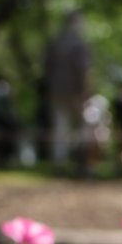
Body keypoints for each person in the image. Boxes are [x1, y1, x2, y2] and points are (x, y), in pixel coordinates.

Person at [43, 11, 91, 168]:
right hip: (75, 92)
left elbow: (47, 69)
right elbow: (83, 70)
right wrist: (85, 91)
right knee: (82, 126)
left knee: (60, 128)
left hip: (56, 91)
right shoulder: (79, 44)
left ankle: (60, 163)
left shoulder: (55, 43)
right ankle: (82, 160)